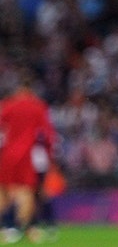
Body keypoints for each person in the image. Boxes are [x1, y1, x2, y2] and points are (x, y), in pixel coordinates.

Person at [0, 77, 55, 244]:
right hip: (28, 154)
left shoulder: (7, 105)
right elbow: (47, 134)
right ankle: (19, 226)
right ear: (30, 90)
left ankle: (7, 225)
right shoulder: (38, 106)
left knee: (5, 190)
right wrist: (49, 154)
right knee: (27, 191)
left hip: (7, 154)